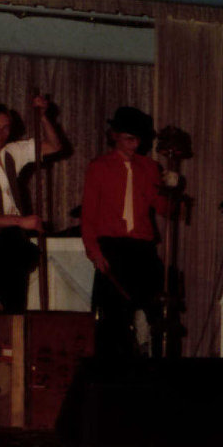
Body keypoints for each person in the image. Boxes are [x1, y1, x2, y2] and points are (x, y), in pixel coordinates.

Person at [80, 106, 176, 358]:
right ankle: (112, 374)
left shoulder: (149, 168)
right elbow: (88, 215)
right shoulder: (98, 167)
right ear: (114, 136)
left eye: (138, 139)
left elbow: (165, 209)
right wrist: (94, 251)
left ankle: (153, 365)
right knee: (112, 318)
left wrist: (171, 189)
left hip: (142, 248)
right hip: (112, 247)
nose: (134, 144)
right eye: (128, 139)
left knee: (158, 309)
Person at [0, 98, 62, 312]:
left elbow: (54, 145)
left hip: (13, 242)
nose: (1, 132)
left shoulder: (12, 152)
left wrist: (43, 116)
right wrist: (20, 221)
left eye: (6, 127)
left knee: (15, 307)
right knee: (16, 250)